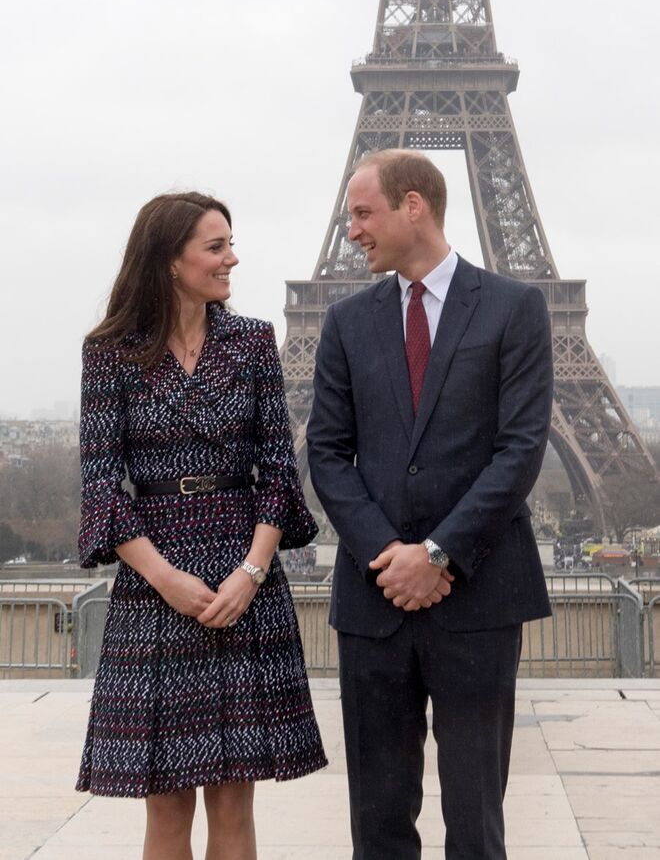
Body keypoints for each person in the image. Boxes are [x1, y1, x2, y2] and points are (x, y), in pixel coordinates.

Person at [307, 150, 553, 860]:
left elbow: (520, 450)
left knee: (476, 824)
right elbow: (326, 452)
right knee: (377, 823)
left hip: (477, 599)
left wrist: (438, 553)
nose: (351, 228)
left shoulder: (515, 307)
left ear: (413, 205)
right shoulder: (347, 321)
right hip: (375, 599)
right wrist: (393, 556)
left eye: (362, 212)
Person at [76, 192, 327, 860]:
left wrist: (251, 570)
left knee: (234, 800)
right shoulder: (110, 353)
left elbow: (278, 467)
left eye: (229, 242)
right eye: (216, 247)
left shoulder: (252, 341)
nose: (232, 258)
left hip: (243, 563)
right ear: (169, 260)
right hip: (155, 573)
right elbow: (102, 482)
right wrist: (164, 578)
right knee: (164, 802)